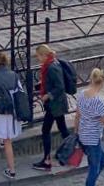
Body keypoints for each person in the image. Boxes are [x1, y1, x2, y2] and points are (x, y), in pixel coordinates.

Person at [33, 44, 69, 172]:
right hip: (57, 104)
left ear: (44, 55)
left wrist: (48, 95)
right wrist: (41, 85)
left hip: (55, 105)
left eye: (38, 56)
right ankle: (71, 152)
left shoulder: (52, 67)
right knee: (63, 128)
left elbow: (60, 86)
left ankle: (47, 161)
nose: (38, 59)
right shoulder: (51, 63)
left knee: (45, 130)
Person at [0, 52, 22, 179]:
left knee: (7, 139)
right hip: (14, 110)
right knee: (8, 135)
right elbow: (20, 91)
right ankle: (3, 140)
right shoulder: (13, 75)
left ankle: (11, 170)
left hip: (3, 111)